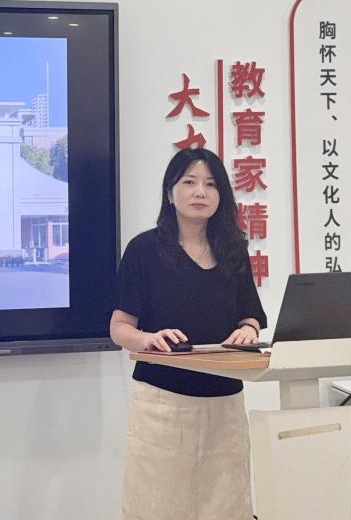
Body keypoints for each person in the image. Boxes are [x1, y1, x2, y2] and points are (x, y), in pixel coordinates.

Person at [110, 147, 267, 520]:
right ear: (170, 192)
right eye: (189, 182)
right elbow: (119, 327)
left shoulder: (234, 250)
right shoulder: (144, 250)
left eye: (211, 184)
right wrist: (146, 339)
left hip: (225, 402)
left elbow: (250, 315)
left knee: (225, 506)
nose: (200, 192)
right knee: (158, 506)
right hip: (163, 403)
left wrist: (248, 330)